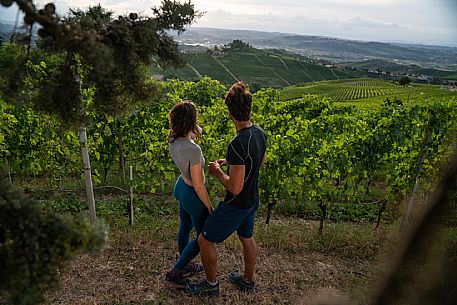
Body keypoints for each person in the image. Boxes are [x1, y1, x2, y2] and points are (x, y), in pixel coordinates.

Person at [186, 82, 267, 296]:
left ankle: (211, 286)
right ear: (249, 108)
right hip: (252, 200)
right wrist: (232, 163)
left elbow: (235, 187)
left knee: (205, 239)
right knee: (247, 238)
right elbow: (259, 161)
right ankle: (247, 282)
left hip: (236, 204)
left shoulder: (237, 143)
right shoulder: (259, 132)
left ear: (230, 113)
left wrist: (217, 171)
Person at [166, 100, 214, 287]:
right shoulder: (194, 150)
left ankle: (185, 264)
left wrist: (193, 128)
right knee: (203, 235)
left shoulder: (173, 138)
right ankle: (176, 270)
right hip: (192, 194)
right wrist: (209, 206)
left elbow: (196, 131)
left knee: (185, 226)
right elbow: (199, 185)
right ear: (191, 122)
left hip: (180, 187)